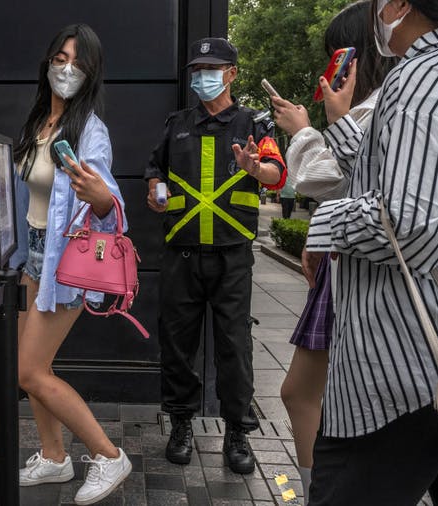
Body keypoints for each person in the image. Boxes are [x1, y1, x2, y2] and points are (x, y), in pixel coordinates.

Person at [301, 1, 438, 503]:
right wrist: (339, 121)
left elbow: (405, 222)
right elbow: (390, 175)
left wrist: (324, 225)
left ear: (400, 5)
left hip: (394, 372)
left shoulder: (418, 80)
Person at [270, 3, 397, 502]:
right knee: (306, 394)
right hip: (345, 267)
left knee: (324, 400)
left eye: (339, 55)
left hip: (367, 272)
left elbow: (326, 180)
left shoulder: (388, 107)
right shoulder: (374, 107)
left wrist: (306, 129)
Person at [144, 37, 286, 474]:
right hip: (182, 255)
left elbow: (277, 173)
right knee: (178, 345)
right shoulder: (177, 123)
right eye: (196, 70)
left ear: (231, 74)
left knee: (234, 347)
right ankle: (181, 424)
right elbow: (155, 169)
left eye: (211, 68)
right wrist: (154, 190)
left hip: (232, 257)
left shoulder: (253, 124)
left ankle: (238, 432)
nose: (200, 76)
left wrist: (254, 169)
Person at [8, 24, 132, 505]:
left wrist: (102, 198)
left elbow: (109, 203)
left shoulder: (90, 132)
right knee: (39, 364)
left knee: (29, 371)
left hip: (64, 263)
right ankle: (55, 457)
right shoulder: (40, 121)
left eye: (77, 63)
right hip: (33, 257)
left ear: (90, 73)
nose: (65, 68)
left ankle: (107, 454)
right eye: (60, 57)